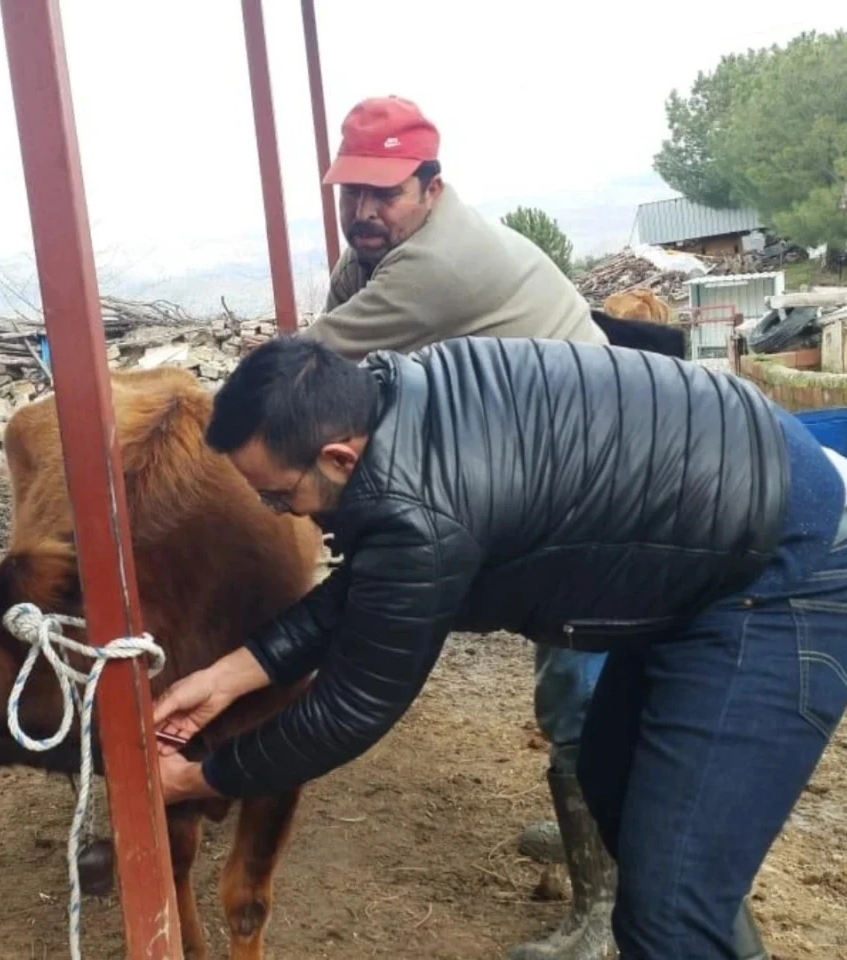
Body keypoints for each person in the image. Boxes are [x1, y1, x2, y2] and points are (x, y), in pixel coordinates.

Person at [152, 334, 847, 959]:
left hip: (788, 577)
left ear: (338, 456)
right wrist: (232, 675)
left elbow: (349, 709)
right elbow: (374, 589)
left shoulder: (419, 509)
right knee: (616, 788)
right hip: (718, 542)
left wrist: (200, 777)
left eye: (279, 497)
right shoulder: (406, 397)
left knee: (671, 910)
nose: (279, 514)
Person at [294, 94, 619, 960]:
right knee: (569, 663)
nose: (364, 212)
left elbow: (312, 370)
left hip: (595, 472)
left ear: (432, 188)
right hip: (529, 461)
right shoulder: (371, 254)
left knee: (583, 672)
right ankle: (605, 831)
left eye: (385, 193)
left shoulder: (440, 265)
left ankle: (605, 909)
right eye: (350, 193)